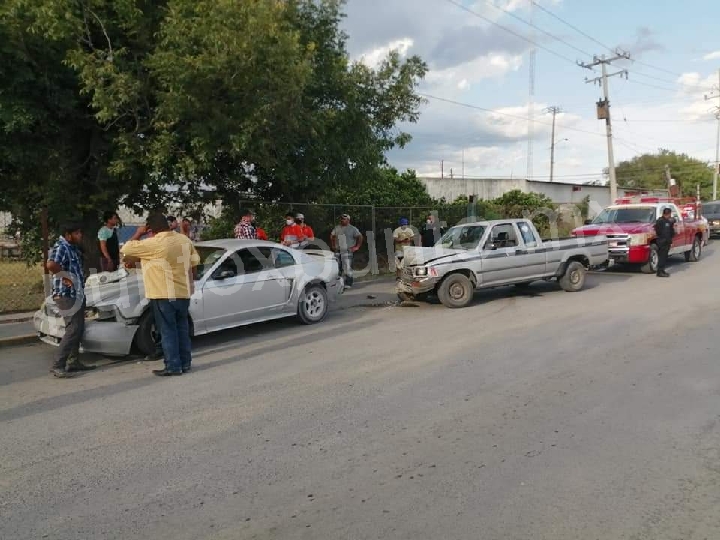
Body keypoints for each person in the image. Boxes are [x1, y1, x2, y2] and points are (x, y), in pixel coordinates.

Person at [121, 213, 200, 376]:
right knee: (182, 329)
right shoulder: (184, 240)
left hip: (163, 295)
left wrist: (139, 233)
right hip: (182, 293)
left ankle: (173, 366)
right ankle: (185, 363)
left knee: (167, 331)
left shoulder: (154, 243)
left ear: (151, 229)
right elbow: (194, 265)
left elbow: (126, 248)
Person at [46, 222, 97, 377]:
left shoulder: (72, 248)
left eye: (80, 233)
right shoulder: (62, 247)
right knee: (73, 328)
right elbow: (51, 264)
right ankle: (58, 364)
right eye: (77, 233)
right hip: (66, 295)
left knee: (78, 328)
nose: (80, 236)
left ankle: (73, 362)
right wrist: (65, 277)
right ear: (68, 234)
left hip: (76, 294)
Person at [330, 214, 363, 288]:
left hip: (347, 250)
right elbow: (332, 236)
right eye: (341, 219)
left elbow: (360, 236)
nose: (342, 220)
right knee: (337, 267)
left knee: (347, 267)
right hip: (338, 250)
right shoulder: (337, 228)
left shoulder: (353, 228)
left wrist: (357, 247)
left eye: (344, 219)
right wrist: (333, 245)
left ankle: (348, 283)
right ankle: (338, 283)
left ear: (348, 220)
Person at [654, 207, 675, 278]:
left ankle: (662, 270)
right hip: (663, 241)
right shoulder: (662, 221)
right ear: (668, 214)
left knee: (664, 256)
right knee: (662, 257)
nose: (670, 216)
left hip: (665, 241)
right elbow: (661, 232)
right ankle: (660, 271)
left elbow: (670, 230)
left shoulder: (666, 221)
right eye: (669, 214)